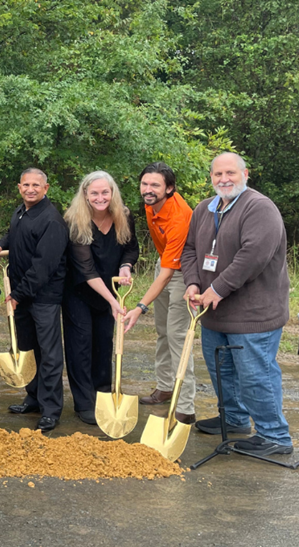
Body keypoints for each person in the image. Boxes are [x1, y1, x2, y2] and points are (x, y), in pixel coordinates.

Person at [182, 152, 292, 456]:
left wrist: (218, 287)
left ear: (245, 174)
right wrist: (192, 283)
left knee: (255, 376)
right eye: (218, 175)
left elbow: (253, 256)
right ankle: (234, 420)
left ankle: (275, 436)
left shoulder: (260, 208)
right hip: (213, 313)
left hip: (253, 315)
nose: (224, 179)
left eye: (230, 173)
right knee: (222, 372)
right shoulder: (205, 208)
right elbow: (189, 249)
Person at [121, 162, 197, 425]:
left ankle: (185, 406)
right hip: (165, 262)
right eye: (145, 184)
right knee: (162, 330)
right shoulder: (149, 204)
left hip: (185, 271)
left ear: (170, 188)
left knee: (177, 335)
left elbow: (168, 274)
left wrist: (140, 306)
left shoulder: (178, 216)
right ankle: (165, 387)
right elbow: (163, 265)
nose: (148, 189)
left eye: (155, 185)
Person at [61, 171, 138, 425]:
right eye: (94, 193)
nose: (100, 197)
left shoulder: (123, 216)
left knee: (105, 343)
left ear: (113, 192)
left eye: (105, 192)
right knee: (80, 346)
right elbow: (86, 270)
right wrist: (113, 302)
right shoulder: (74, 220)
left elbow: (130, 248)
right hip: (79, 292)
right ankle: (84, 403)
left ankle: (103, 394)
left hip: (109, 293)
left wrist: (126, 267)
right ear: (85, 194)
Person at [0, 168, 68, 432]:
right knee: (28, 349)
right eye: (26, 185)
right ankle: (34, 397)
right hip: (23, 295)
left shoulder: (51, 220)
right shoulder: (21, 211)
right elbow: (14, 235)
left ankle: (51, 409)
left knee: (48, 354)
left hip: (43, 298)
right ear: (19, 187)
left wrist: (16, 295)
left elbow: (42, 268)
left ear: (46, 188)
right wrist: (0, 244)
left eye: (36, 185)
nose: (30, 189)